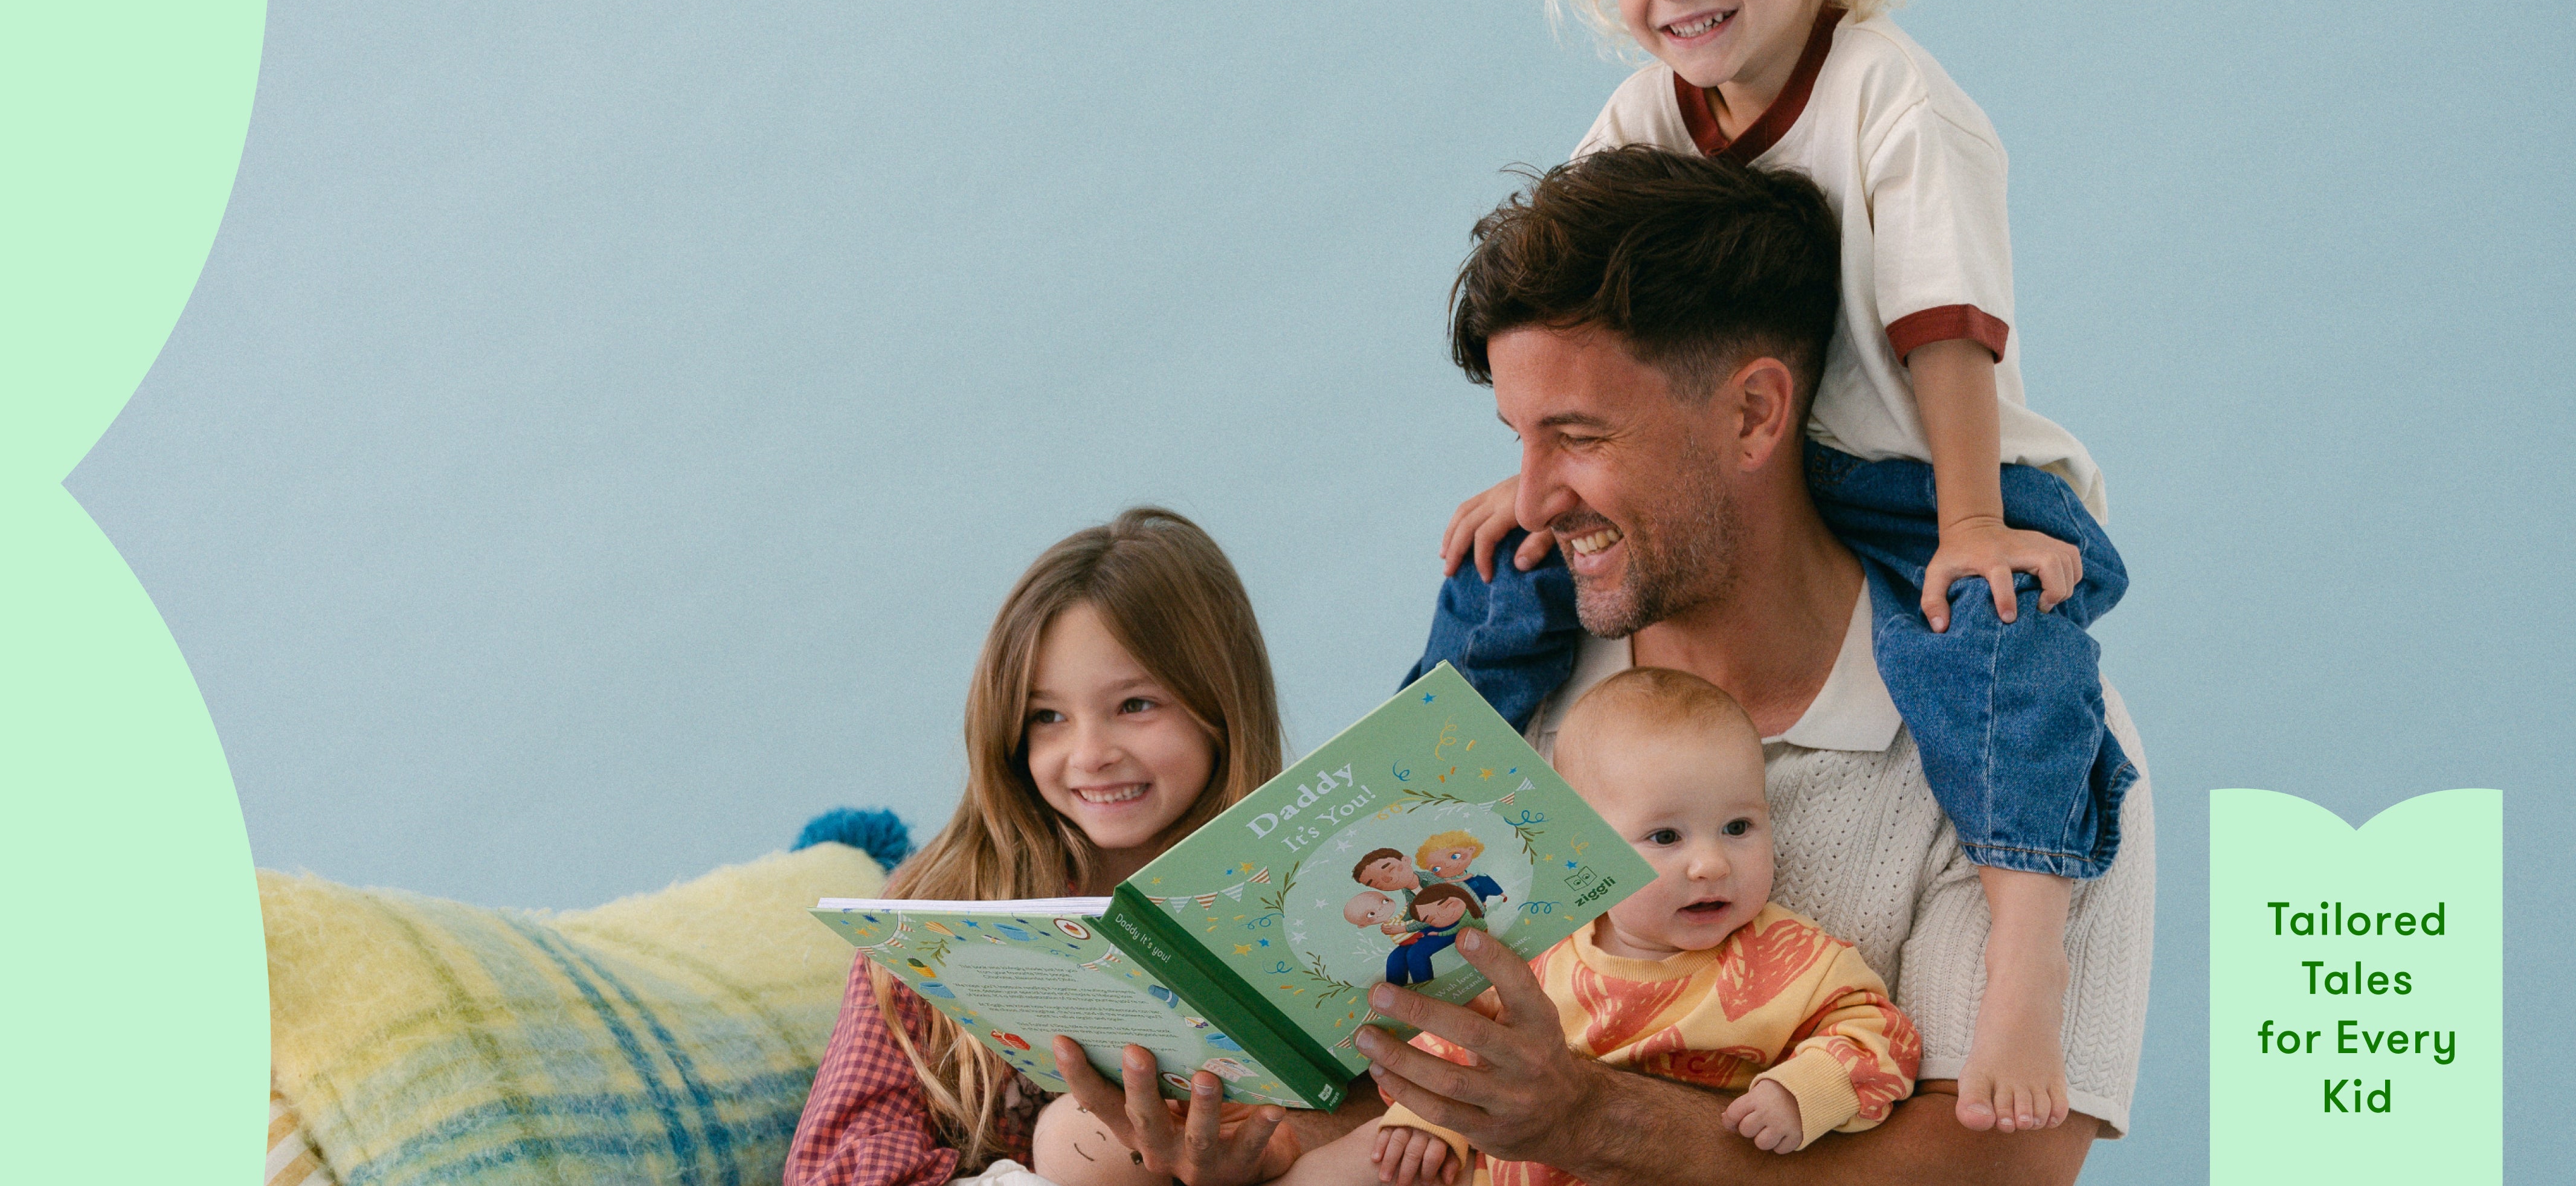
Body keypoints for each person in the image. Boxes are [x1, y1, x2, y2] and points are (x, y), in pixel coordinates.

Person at [1420, 0, 2127, 1133]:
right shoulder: (1648, 110)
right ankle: (1373, 876)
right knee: (1496, 579)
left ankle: (2029, 937)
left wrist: (1972, 526)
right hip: (1777, 464)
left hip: (1931, 472)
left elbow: (1946, 329)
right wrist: (1542, 466)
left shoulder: (1895, 102)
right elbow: (1558, 295)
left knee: (1996, 646)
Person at [1370, 145, 2154, 1184]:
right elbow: (1397, 1076)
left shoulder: (2030, 748)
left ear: (1753, 414)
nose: (1530, 501)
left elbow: (1996, 1171)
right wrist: (1271, 1144)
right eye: (1520, 437)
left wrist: (1594, 1120)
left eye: (1579, 436)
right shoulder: (1508, 691)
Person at [787, 508, 1352, 1186]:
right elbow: (839, 1162)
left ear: (1221, 706)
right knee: (1077, 1136)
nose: (1089, 755)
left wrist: (1285, 1145)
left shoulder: (1316, 891)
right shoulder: (941, 903)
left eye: (1135, 704)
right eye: (1047, 716)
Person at [1356, 667, 1919, 1185]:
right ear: (1585, 844)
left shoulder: (1792, 957)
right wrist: (1428, 1121)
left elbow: (1883, 1036)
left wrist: (1805, 1091)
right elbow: (1459, 1039)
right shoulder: (1534, 951)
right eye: (1666, 837)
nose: (1711, 864)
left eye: (1738, 827)